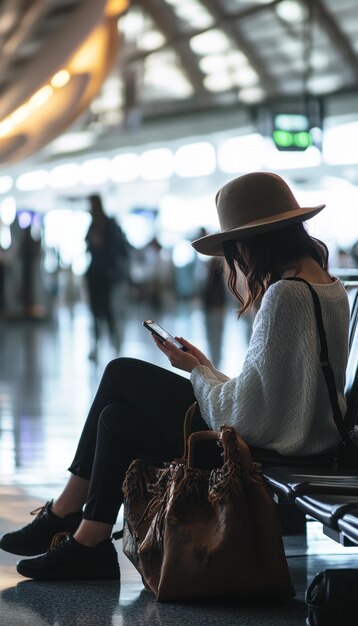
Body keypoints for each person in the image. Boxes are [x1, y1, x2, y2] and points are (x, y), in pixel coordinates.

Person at [0, 171, 349, 582]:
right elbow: (274, 392)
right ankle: (88, 539)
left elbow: (251, 417)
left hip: (271, 446)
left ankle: (65, 513)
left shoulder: (284, 295)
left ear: (252, 242)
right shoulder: (328, 285)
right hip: (308, 438)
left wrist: (195, 371)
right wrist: (207, 369)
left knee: (120, 373)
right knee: (116, 419)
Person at [84, 194, 129, 360]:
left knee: (107, 310)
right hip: (95, 273)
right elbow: (88, 244)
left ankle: (113, 344)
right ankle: (98, 345)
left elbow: (118, 249)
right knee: (96, 311)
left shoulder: (108, 224)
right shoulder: (94, 224)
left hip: (105, 274)